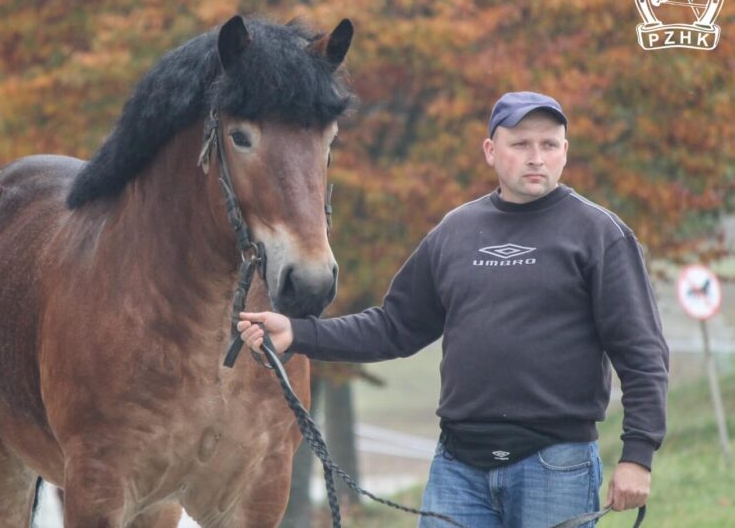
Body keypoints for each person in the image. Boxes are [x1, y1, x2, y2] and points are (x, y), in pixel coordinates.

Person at [238, 91, 669, 528]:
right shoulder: (455, 232)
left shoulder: (600, 235)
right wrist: (297, 333)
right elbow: (393, 328)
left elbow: (643, 355)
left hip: (555, 466)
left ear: (564, 152)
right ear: (491, 151)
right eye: (521, 144)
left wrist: (638, 456)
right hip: (459, 468)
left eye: (549, 145)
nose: (536, 157)